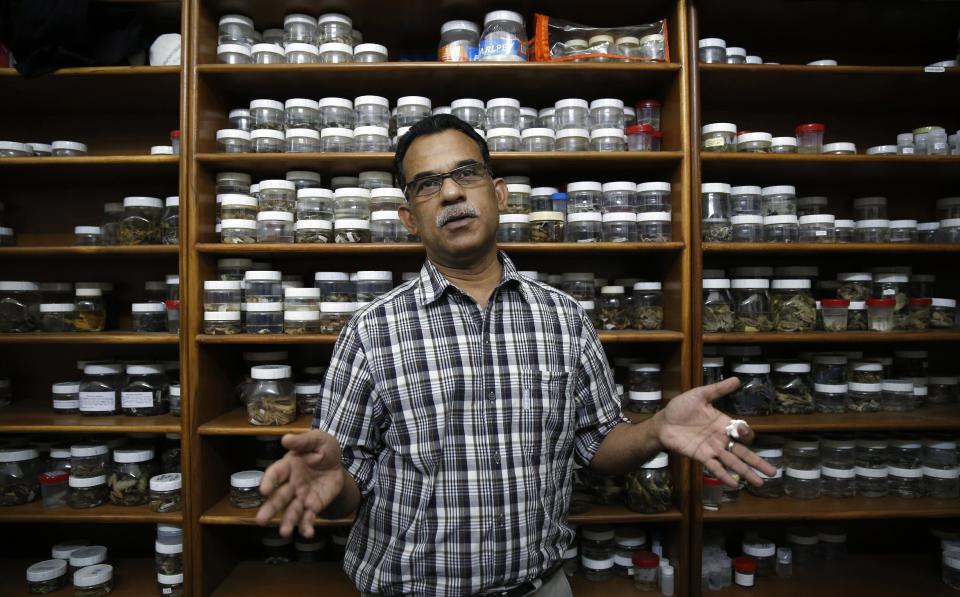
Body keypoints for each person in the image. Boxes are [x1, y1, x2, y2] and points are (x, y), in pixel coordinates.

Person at [257, 115, 775, 596]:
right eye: (427, 184)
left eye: (466, 173)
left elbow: (595, 444)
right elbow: (347, 482)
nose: (452, 192)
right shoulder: (371, 332)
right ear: (409, 218)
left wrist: (657, 426)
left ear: (499, 193)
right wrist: (335, 483)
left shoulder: (563, 318)